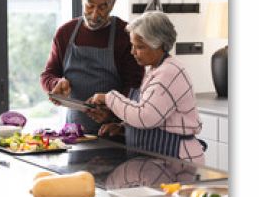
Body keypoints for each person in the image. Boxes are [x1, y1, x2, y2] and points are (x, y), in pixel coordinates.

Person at [88, 10, 207, 164]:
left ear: (160, 45)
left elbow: (145, 116)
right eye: (133, 45)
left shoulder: (169, 73)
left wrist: (109, 98)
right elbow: (160, 117)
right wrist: (124, 128)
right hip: (162, 159)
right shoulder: (155, 69)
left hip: (178, 160)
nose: (133, 52)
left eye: (140, 47)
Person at [40, 0, 144, 134]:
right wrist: (56, 84)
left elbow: (134, 88)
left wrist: (112, 114)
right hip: (74, 133)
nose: (95, 14)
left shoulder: (125, 35)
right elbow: (48, 74)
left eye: (102, 7)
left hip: (114, 132)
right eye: (90, 5)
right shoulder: (65, 33)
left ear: (113, 3)